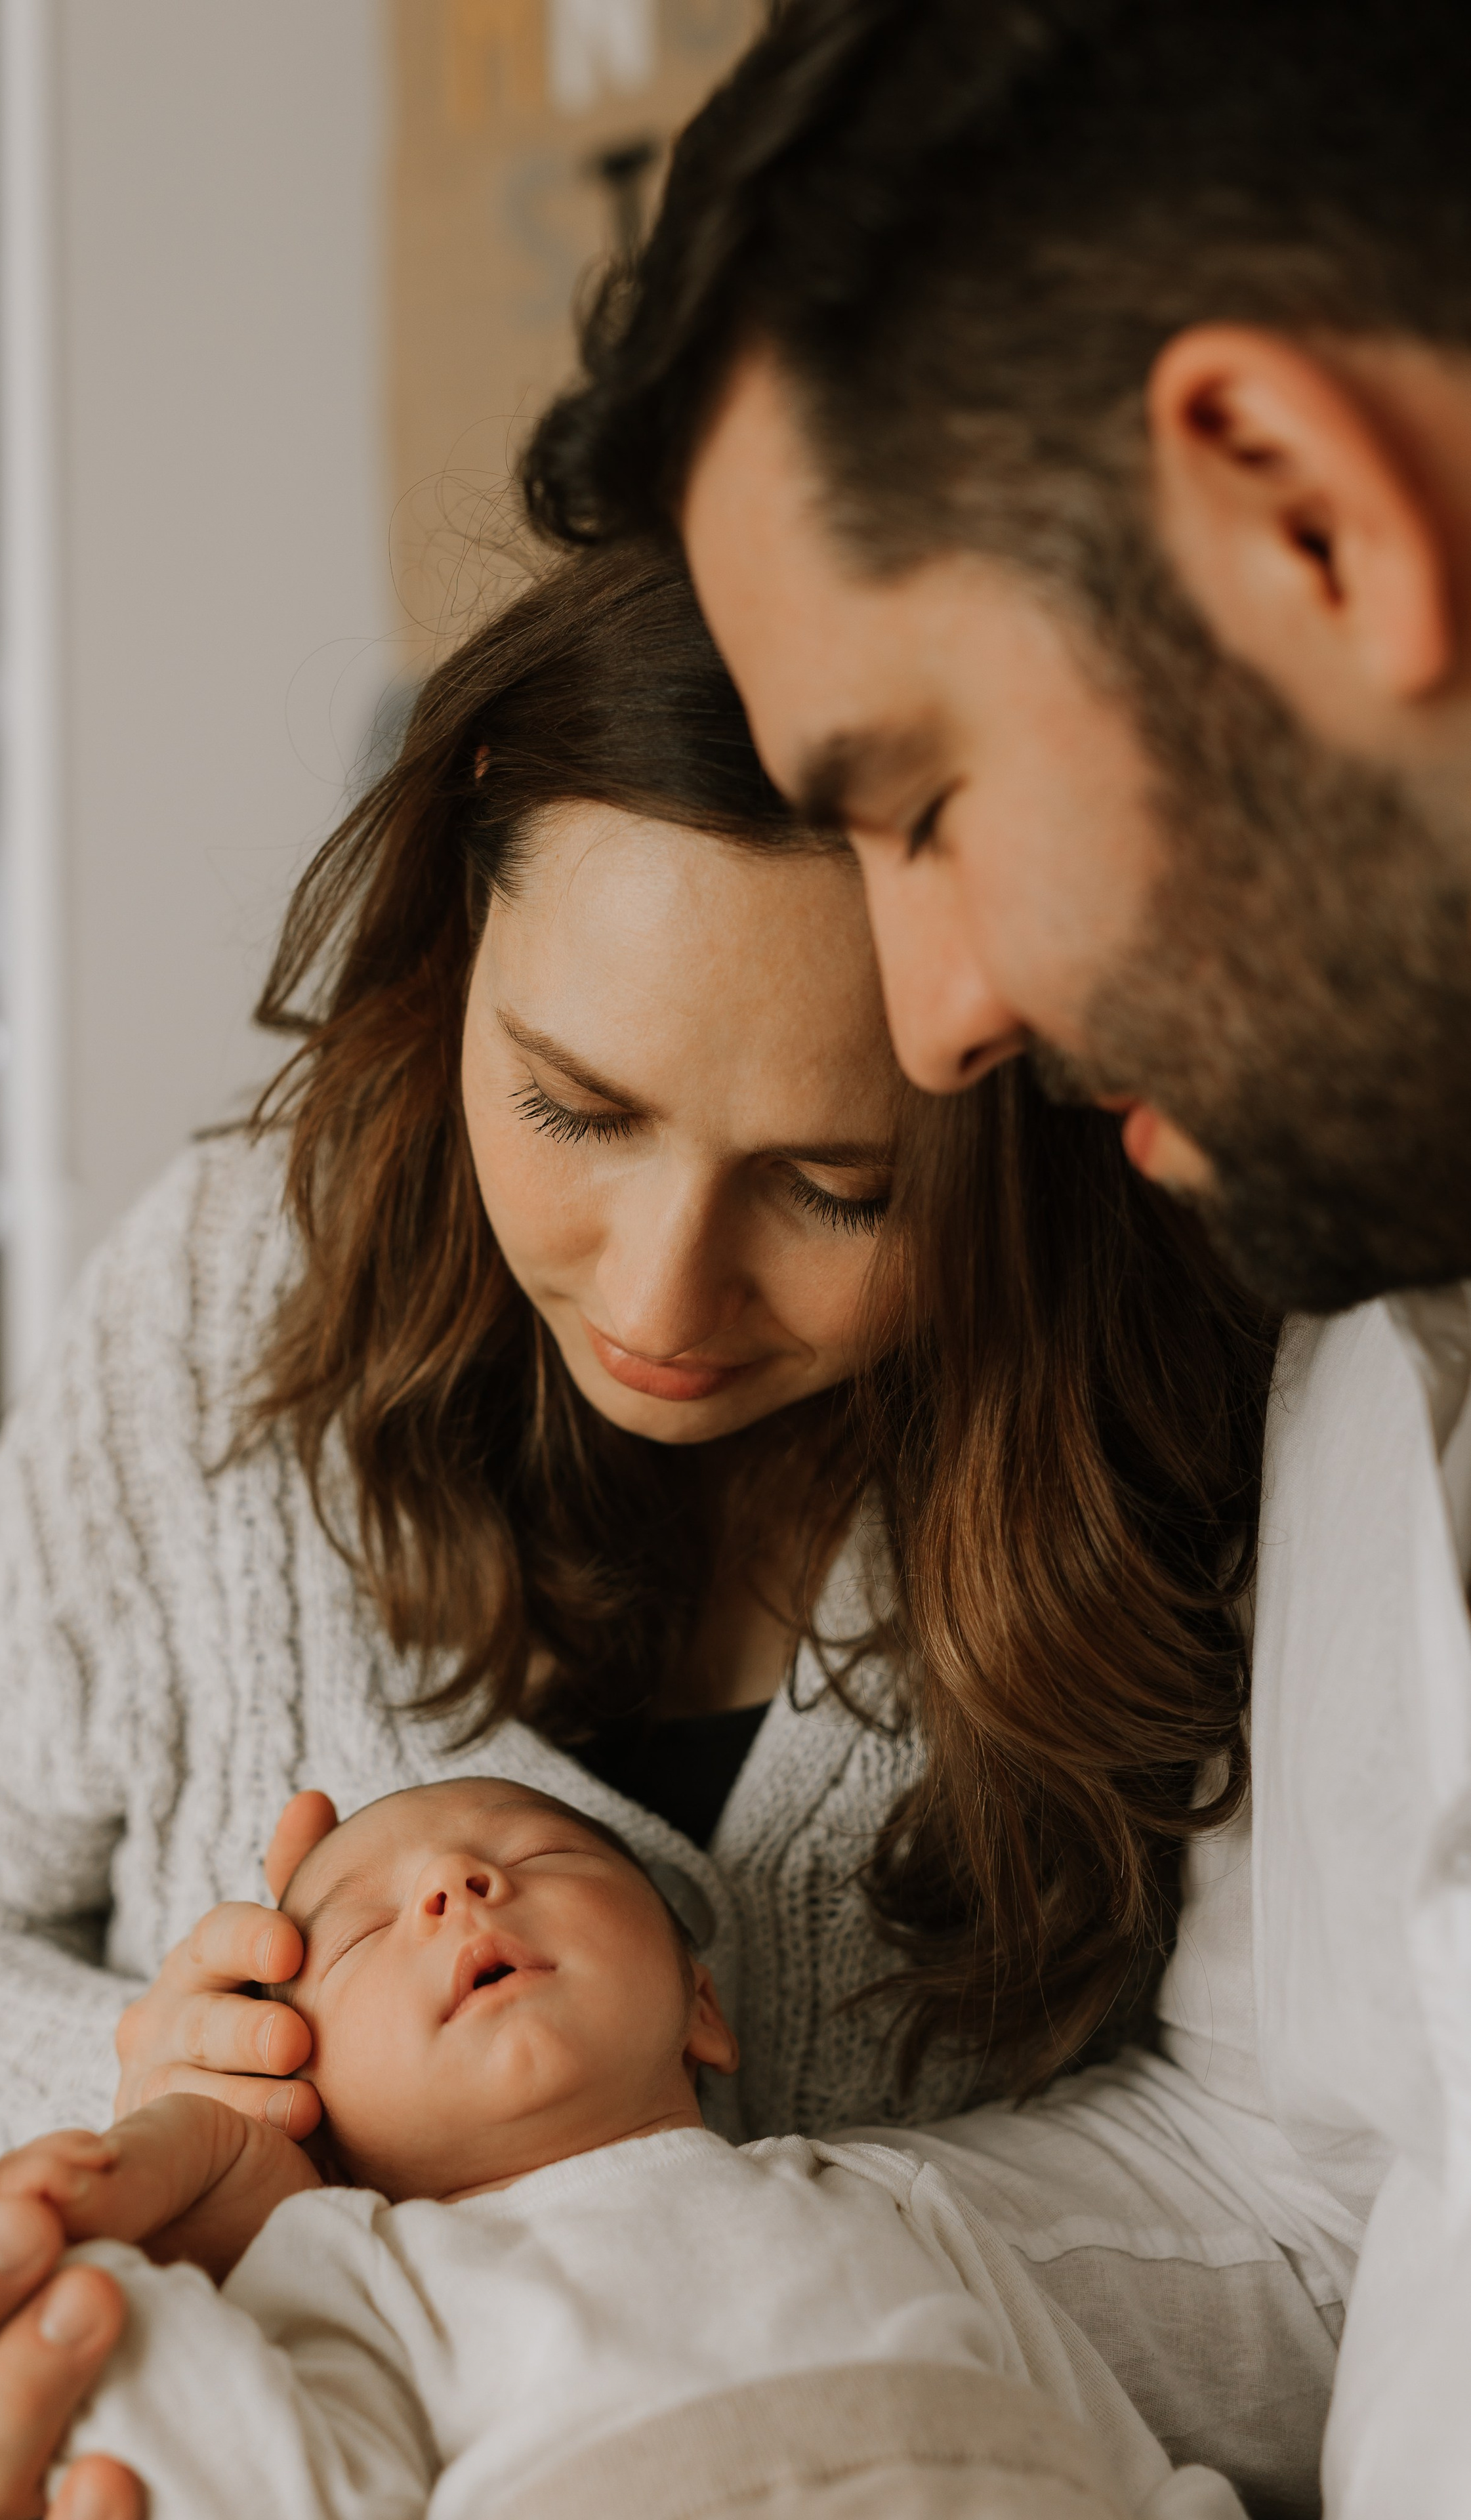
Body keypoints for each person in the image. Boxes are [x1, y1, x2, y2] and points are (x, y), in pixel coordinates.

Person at [0, 539, 1273, 2519]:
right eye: (576, 1109)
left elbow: (1320, 2188)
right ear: (464, 907)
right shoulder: (235, 1293)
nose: (663, 1303)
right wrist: (212, 2153)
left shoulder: (1196, 1406)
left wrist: (706, 2248)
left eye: (839, 1187)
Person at [516, 2, 1471, 2514]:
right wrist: (484, 2270)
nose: (939, 1027)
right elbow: (1305, 2200)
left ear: (1300, 511)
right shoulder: (1372, 1291)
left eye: (922, 801)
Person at [0, 1776, 1242, 2520]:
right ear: (302, 2096)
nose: (455, 1886)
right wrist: (104, 2298)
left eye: (540, 1853)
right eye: (362, 1930)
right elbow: (282, 2485)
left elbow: (1119, 2462)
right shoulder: (363, 2264)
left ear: (702, 2005)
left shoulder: (889, 2192)